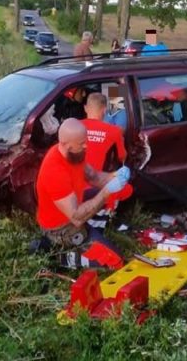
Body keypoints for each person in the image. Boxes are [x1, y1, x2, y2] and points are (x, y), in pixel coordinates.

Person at [35, 118, 129, 269]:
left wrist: (115, 176)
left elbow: (94, 177)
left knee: (108, 194)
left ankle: (92, 231)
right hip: (61, 227)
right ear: (66, 144)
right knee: (115, 261)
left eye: (85, 141)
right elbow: (76, 218)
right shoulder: (54, 171)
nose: (86, 146)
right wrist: (106, 191)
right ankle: (58, 256)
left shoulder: (75, 153)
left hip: (73, 206)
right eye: (81, 143)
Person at [81, 92, 133, 221]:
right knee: (127, 189)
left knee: (114, 90)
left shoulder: (72, 126)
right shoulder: (114, 131)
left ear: (85, 108)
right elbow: (122, 157)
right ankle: (109, 211)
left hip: (71, 183)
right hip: (94, 183)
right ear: (104, 110)